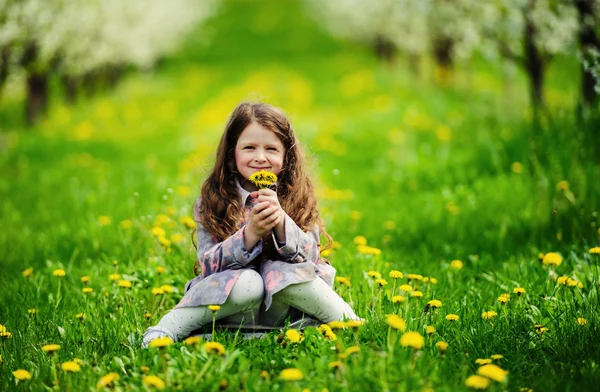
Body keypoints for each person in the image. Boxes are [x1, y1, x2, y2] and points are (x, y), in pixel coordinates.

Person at [142, 102, 359, 347]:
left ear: (286, 157)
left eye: (271, 149)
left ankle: (349, 322)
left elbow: (312, 259)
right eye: (249, 147)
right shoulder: (213, 200)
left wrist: (282, 225)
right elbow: (208, 264)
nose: (260, 157)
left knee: (284, 275)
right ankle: (167, 328)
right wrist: (250, 235)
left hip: (284, 310)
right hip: (234, 306)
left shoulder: (297, 197)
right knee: (250, 284)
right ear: (232, 154)